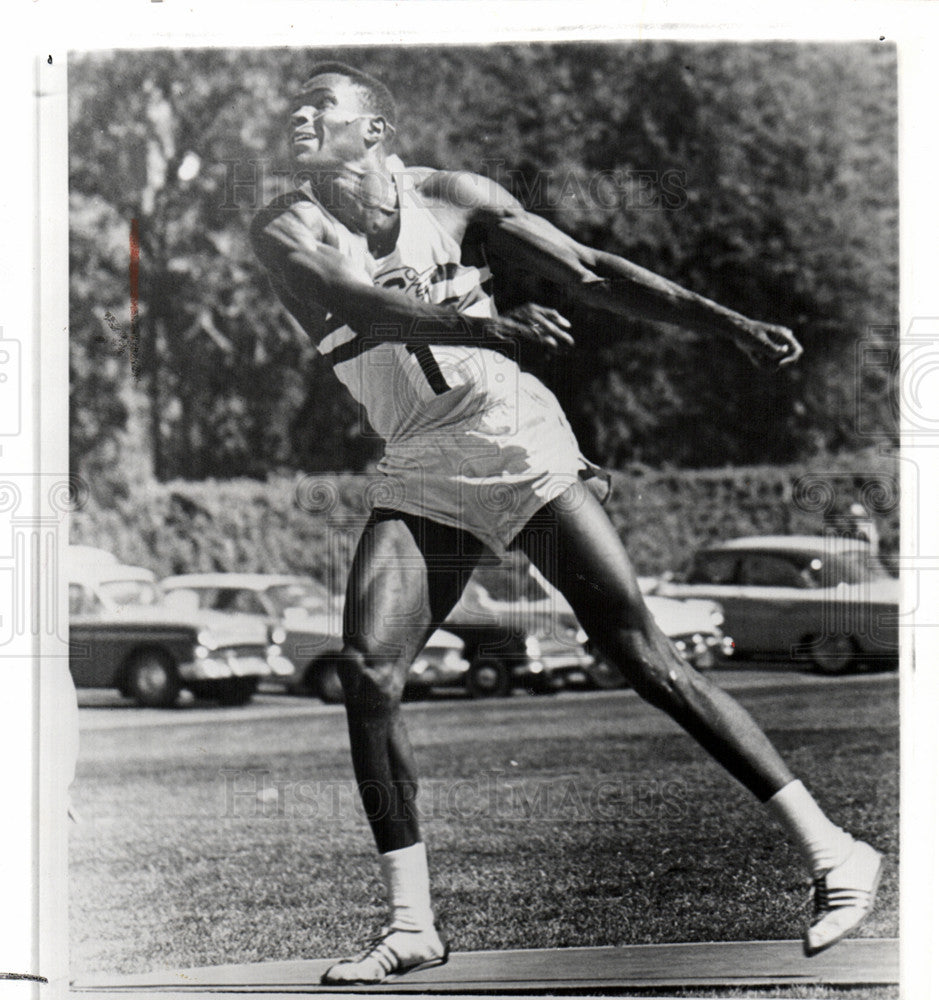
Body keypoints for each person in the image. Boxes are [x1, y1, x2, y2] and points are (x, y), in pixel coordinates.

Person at [250, 62, 882, 985]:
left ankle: (835, 854)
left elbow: (589, 269)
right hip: (423, 465)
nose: (299, 116)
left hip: (514, 444)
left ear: (375, 130)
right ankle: (412, 923)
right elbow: (353, 303)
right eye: (293, 106)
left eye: (322, 106)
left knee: (643, 658)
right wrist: (496, 330)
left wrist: (726, 323)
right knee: (367, 673)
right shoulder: (285, 221)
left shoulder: (452, 198)